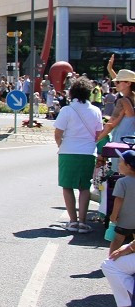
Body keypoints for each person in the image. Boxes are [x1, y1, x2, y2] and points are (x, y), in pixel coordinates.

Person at [52, 76, 103, 233]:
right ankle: (82, 222)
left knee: (67, 186)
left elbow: (58, 133)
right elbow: (99, 134)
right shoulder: (95, 111)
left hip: (68, 152)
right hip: (88, 153)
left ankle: (72, 221)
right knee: (84, 188)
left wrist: (61, 145)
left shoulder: (67, 110)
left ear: (72, 93)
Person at [106, 149, 135, 255]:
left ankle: (111, 260)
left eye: (120, 162)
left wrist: (114, 215)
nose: (118, 164)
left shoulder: (122, 182)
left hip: (124, 220)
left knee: (118, 239)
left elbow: (119, 200)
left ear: (128, 166)